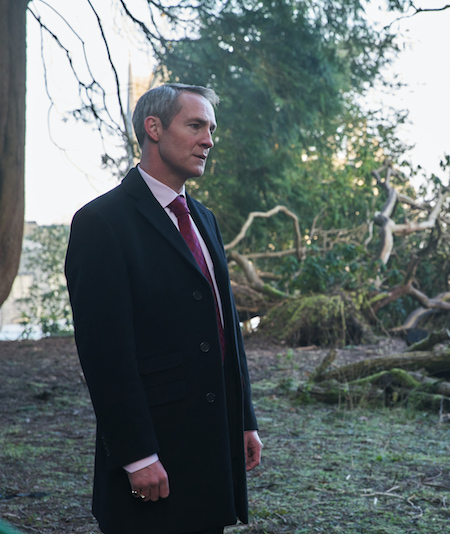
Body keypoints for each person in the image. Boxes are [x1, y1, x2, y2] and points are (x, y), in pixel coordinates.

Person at [66, 83, 262, 534]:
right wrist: (137, 454)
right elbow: (104, 354)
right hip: (153, 453)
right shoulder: (101, 223)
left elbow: (225, 327)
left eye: (211, 129)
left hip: (212, 448)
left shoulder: (204, 218)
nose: (208, 140)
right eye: (195, 126)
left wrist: (243, 420)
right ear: (153, 128)